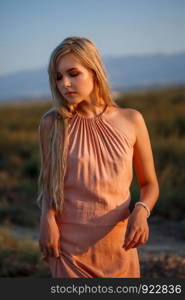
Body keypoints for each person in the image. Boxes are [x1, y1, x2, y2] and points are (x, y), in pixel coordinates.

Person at [37, 36, 159, 278]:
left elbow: (150, 184)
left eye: (73, 73)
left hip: (119, 246)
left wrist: (141, 211)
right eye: (59, 77)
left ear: (94, 71)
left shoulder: (131, 120)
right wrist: (46, 221)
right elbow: (50, 183)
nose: (65, 84)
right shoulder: (53, 123)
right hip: (69, 249)